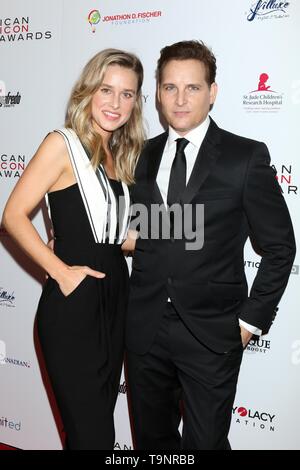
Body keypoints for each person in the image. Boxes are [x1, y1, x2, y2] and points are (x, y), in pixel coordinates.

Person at [125, 40, 296, 450]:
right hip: (145, 329)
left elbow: (279, 248)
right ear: (158, 93)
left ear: (213, 92)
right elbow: (140, 233)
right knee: (153, 442)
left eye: (193, 88)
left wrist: (248, 324)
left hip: (213, 333)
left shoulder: (245, 157)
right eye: (170, 88)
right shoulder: (141, 156)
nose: (180, 99)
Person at [2, 48, 145, 450]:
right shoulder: (61, 143)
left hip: (116, 295)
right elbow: (12, 215)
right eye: (107, 89)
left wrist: (189, 234)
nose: (115, 103)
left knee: (101, 429)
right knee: (92, 434)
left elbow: (119, 238)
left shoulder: (120, 156)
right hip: (74, 302)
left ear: (136, 102)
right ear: (88, 91)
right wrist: (62, 272)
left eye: (127, 94)